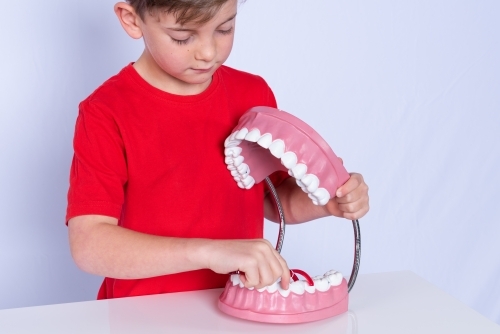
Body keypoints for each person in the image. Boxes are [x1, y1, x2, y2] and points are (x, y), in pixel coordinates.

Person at [66, 0, 369, 300]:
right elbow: (89, 243)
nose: (208, 53)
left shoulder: (252, 95)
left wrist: (327, 202)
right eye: (182, 37)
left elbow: (271, 198)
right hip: (142, 314)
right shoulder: (105, 112)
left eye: (224, 29)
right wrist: (210, 251)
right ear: (132, 20)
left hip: (240, 308)